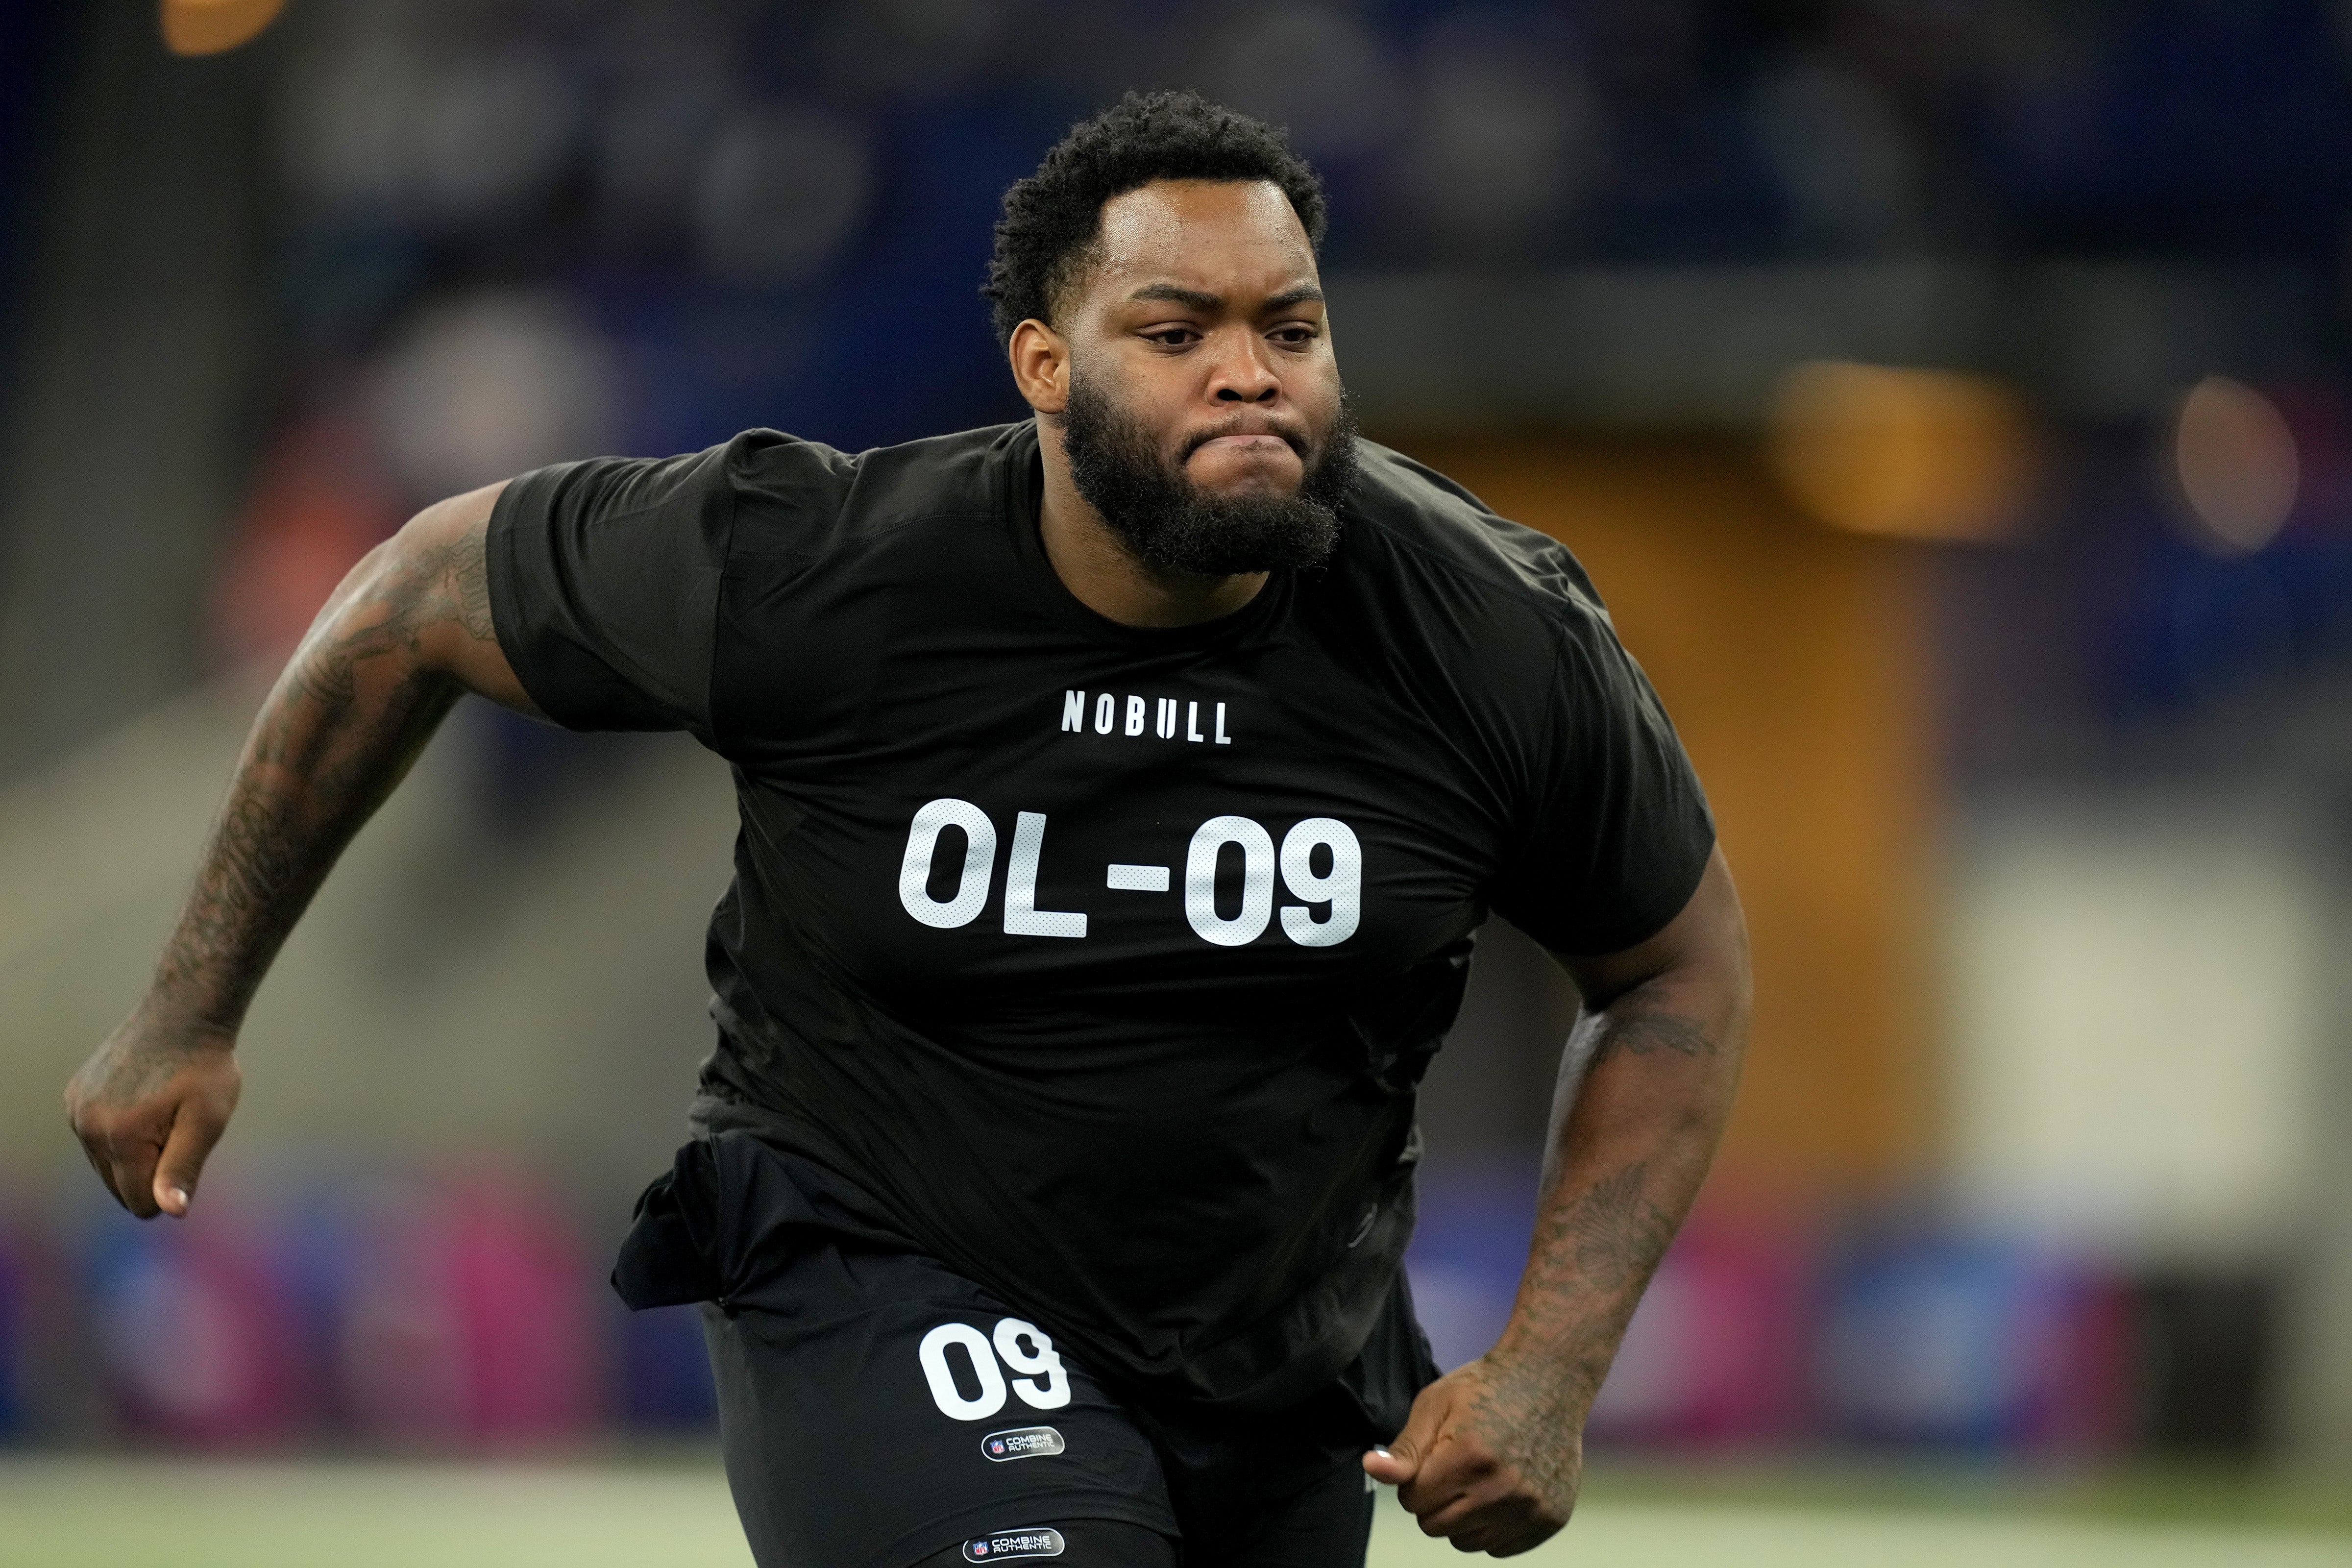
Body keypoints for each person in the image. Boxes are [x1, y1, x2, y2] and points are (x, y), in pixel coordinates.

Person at [65, 90, 1750, 1566]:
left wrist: (1548, 1371)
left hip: (1275, 1345)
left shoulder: (1485, 625)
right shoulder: (820, 567)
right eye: (1175, 333)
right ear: (1043, 367)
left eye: (1290, 328)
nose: (1250, 376)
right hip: (889, 1261)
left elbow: (1674, 968)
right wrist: (189, 1008)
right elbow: (414, 592)